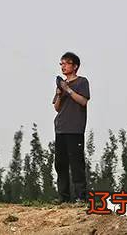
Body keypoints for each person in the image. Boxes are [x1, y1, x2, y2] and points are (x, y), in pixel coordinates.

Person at [52, 52, 90, 203]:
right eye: (61, 64)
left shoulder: (82, 82)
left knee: (76, 163)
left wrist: (68, 89)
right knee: (60, 164)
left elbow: (83, 101)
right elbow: (56, 107)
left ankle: (81, 196)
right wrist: (60, 93)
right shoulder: (61, 85)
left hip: (75, 129)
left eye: (67, 63)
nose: (63, 66)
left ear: (75, 66)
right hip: (61, 128)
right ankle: (64, 197)